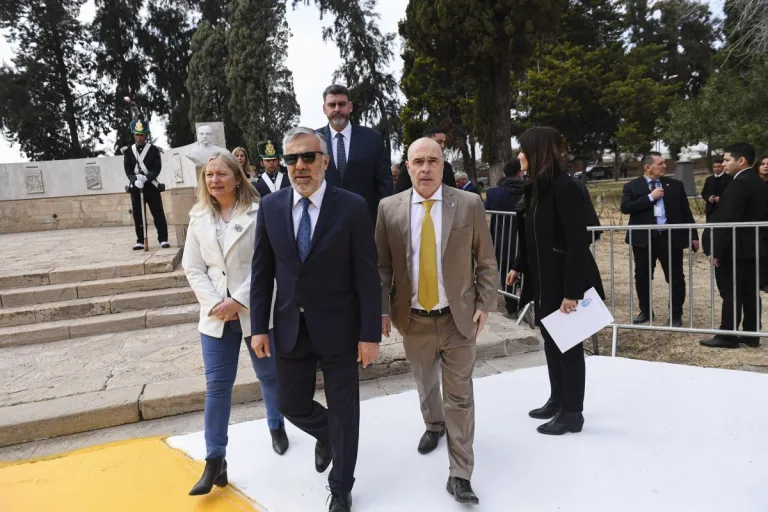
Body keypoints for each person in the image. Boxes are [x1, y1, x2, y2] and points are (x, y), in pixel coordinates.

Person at [250, 127, 381, 512]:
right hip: (290, 328)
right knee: (291, 404)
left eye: (308, 157)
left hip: (340, 329)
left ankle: (341, 487)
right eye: (292, 159)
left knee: (345, 410)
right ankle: (332, 435)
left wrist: (369, 333)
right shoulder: (271, 207)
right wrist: (259, 326)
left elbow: (366, 275)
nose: (299, 166)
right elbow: (262, 271)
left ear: (325, 161)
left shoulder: (352, 206)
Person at [376, 137, 498, 505]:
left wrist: (484, 302)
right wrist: (383, 309)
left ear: (444, 165)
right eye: (419, 162)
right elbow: (382, 266)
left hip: (458, 318)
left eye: (433, 161)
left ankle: (460, 474)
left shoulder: (468, 203)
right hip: (412, 319)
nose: (426, 168)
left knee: (460, 396)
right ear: (407, 167)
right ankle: (433, 424)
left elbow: (487, 261)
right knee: (425, 381)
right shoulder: (388, 209)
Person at [182, 152, 288, 497]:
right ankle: (215, 459)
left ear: (237, 176)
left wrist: (238, 300)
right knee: (217, 388)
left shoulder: (260, 212)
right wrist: (215, 303)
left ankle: (276, 424)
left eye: (221, 174)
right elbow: (193, 267)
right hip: (214, 316)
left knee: (269, 375)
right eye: (209, 175)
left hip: (254, 310)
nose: (214, 180)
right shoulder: (198, 216)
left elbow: (266, 264)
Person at [506, 126, 604, 436]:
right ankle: (558, 398)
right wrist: (519, 266)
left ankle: (572, 412)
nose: (519, 155)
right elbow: (532, 236)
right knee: (551, 341)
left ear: (537, 153)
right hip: (544, 280)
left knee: (570, 346)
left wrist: (572, 292)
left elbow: (578, 242)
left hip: (566, 282)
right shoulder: (535, 188)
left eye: (523, 150)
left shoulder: (566, 188)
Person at [700, 143, 768, 349]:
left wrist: (715, 250)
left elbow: (727, 219)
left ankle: (727, 335)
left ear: (741, 161)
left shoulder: (740, 183)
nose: (723, 163)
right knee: (749, 291)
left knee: (731, 291)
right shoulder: (757, 182)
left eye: (727, 160)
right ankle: (751, 333)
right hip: (753, 247)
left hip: (736, 248)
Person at [620, 152, 699, 327]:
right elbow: (625, 208)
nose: (664, 166)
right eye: (660, 163)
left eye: (664, 163)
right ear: (647, 167)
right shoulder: (632, 186)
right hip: (644, 240)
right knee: (642, 276)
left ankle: (676, 315)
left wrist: (693, 235)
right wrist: (650, 197)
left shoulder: (675, 185)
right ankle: (646, 311)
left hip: (670, 239)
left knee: (676, 277)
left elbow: (686, 213)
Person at [316, 84, 392, 222]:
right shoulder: (314, 139)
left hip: (365, 220)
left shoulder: (372, 138)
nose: (337, 109)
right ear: (324, 109)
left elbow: (384, 183)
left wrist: (384, 219)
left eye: (342, 104)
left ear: (350, 106)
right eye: (332, 105)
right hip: (325, 222)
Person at [485, 160, 525, 318]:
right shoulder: (529, 191)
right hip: (523, 240)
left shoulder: (494, 193)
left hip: (503, 240)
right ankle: (528, 305)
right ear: (520, 173)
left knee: (506, 275)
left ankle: (512, 309)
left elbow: (487, 207)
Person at [123, 119, 169, 250]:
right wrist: (134, 180)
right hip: (136, 187)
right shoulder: (128, 151)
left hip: (151, 186)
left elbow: (157, 168)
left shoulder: (153, 150)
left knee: (157, 213)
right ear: (133, 135)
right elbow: (128, 169)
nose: (139, 137)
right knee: (138, 214)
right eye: (137, 134)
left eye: (142, 134)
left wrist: (146, 178)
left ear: (146, 135)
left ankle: (163, 239)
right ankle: (140, 240)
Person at [393, 126, 458, 192]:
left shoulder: (447, 167)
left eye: (444, 142)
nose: (442, 145)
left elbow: (453, 193)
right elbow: (400, 195)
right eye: (439, 142)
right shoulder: (410, 166)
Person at [700, 157, 733, 256]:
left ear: (722, 167)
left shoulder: (729, 179)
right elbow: (704, 193)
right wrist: (708, 198)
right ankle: (709, 248)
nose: (716, 169)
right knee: (709, 230)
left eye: (718, 167)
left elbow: (731, 193)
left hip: (722, 209)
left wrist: (721, 198)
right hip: (710, 209)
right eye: (714, 167)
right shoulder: (709, 179)